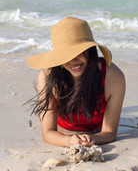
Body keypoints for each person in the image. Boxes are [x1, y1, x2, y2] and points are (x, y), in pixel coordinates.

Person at [26, 17, 125, 147]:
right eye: (66, 55)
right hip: (63, 133)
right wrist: (70, 141)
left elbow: (109, 132)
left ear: (90, 50)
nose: (73, 61)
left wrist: (91, 139)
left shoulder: (113, 76)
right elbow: (48, 132)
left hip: (95, 131)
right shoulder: (48, 76)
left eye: (78, 52)